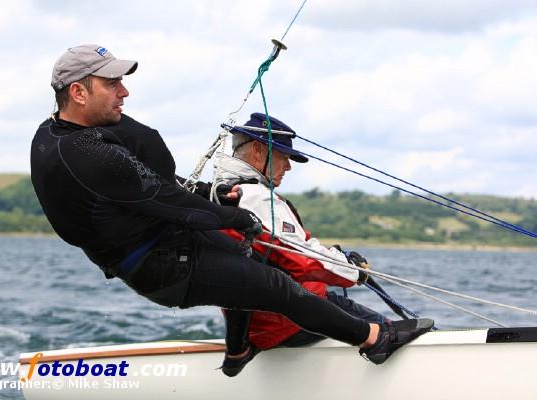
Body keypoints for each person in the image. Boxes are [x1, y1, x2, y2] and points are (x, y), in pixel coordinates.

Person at [30, 44, 433, 378]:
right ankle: (374, 340)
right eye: (112, 83)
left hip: (159, 240)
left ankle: (238, 351)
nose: (125, 92)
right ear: (79, 93)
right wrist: (234, 216)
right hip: (159, 266)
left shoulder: (59, 132)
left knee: (247, 257)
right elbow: (169, 202)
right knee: (275, 285)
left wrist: (211, 194)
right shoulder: (88, 154)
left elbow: (151, 190)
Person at [214, 112, 391, 354]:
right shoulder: (257, 197)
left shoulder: (220, 193)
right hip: (291, 322)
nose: (288, 166)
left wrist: (334, 256)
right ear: (257, 150)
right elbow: (305, 260)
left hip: (260, 329)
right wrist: (354, 272)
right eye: (283, 156)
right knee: (394, 333)